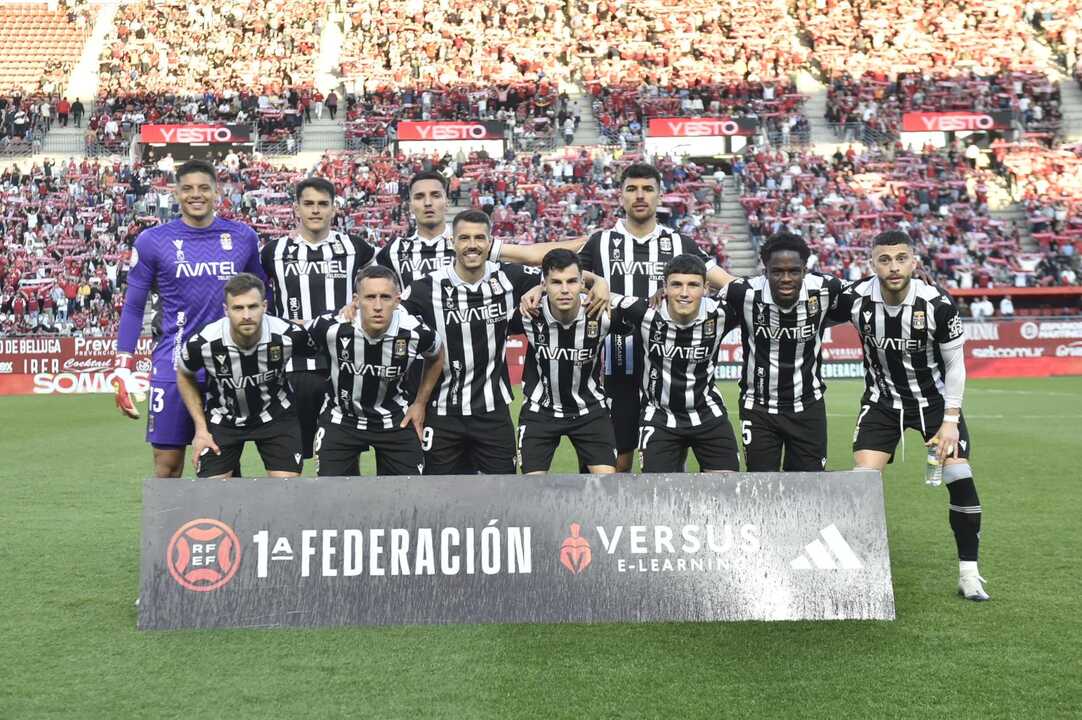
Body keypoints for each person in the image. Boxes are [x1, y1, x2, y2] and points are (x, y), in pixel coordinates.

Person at [835, 230, 988, 601]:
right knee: (862, 484)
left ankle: (969, 573)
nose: (893, 266)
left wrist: (950, 420)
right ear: (872, 263)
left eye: (901, 258)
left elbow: (955, 364)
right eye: (884, 259)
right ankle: (855, 570)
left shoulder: (937, 304)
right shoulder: (855, 299)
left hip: (934, 406)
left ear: (914, 261)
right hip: (881, 403)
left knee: (958, 475)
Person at [402, 209, 607, 474]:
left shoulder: (509, 278)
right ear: (452, 242)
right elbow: (391, 315)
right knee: (439, 498)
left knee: (504, 496)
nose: (472, 244)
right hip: (443, 414)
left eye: (479, 238)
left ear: (490, 242)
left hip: (493, 413)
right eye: (464, 238)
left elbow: (556, 274)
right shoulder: (425, 288)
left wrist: (596, 281)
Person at [563, 163, 735, 472]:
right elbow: (565, 276)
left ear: (660, 195)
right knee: (615, 468)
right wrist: (597, 281)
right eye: (632, 189)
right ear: (620, 196)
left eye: (647, 189)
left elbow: (730, 285)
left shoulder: (681, 244)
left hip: (671, 375)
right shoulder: (600, 242)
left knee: (668, 475)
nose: (640, 196)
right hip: (614, 371)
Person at [110, 159, 267, 478]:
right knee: (167, 466)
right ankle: (166, 530)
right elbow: (134, 306)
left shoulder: (242, 237)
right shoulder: (152, 241)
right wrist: (122, 368)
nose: (196, 195)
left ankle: (222, 530)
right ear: (176, 193)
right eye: (188, 189)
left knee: (223, 466)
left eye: (204, 188)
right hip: (173, 364)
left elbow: (263, 297)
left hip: (227, 366)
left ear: (217, 192)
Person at [261, 177, 376, 460]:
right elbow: (258, 300)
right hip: (293, 367)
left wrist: (356, 304)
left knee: (339, 457)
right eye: (308, 204)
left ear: (334, 209)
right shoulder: (273, 251)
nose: (315, 210)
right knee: (293, 457)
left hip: (344, 366)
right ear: (296, 209)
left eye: (323, 204)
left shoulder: (355, 247)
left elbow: (379, 286)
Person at [722, 232, 845, 471]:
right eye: (777, 271)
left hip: (808, 407)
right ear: (765, 271)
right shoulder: (743, 293)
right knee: (762, 488)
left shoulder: (826, 289)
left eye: (794, 271)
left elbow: (870, 296)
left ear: (805, 271)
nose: (786, 278)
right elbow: (698, 309)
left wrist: (915, 282)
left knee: (808, 488)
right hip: (758, 409)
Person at [306, 265, 443, 476]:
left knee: (409, 496)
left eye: (385, 297)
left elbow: (436, 354)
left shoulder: (415, 331)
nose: (377, 306)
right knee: (332, 498)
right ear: (356, 300)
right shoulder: (330, 327)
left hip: (395, 419)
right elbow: (292, 339)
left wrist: (420, 403)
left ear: (397, 301)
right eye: (370, 297)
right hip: (341, 419)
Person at [608, 254, 739, 473]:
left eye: (693, 285)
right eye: (676, 285)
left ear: (706, 288)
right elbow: (596, 294)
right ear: (664, 287)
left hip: (708, 414)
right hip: (659, 417)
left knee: (727, 491)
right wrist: (598, 282)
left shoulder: (721, 314)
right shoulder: (644, 313)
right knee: (659, 497)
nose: (685, 293)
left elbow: (755, 296)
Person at [176, 274, 307, 478]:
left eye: (253, 307)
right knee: (211, 498)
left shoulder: (289, 335)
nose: (246, 315)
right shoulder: (203, 343)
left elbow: (325, 347)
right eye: (238, 308)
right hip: (223, 419)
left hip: (277, 416)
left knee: (286, 493)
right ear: (226, 310)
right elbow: (184, 374)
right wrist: (201, 429)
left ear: (264, 306)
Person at [513, 249, 616, 474]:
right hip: (540, 410)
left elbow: (651, 314)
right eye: (556, 283)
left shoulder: (603, 312)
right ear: (544, 285)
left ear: (582, 283)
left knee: (608, 488)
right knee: (532, 491)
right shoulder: (528, 313)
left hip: (590, 410)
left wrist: (601, 281)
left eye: (571, 281)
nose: (565, 290)